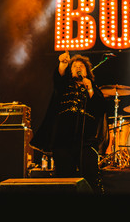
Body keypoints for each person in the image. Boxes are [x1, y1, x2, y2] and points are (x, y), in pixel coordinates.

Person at [31, 51, 108, 193]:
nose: (78, 68)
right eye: (74, 66)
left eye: (82, 66)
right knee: (64, 179)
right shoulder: (64, 85)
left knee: (92, 177)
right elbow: (58, 79)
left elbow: (101, 108)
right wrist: (63, 64)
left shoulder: (94, 90)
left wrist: (90, 88)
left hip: (86, 142)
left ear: (87, 71)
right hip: (62, 141)